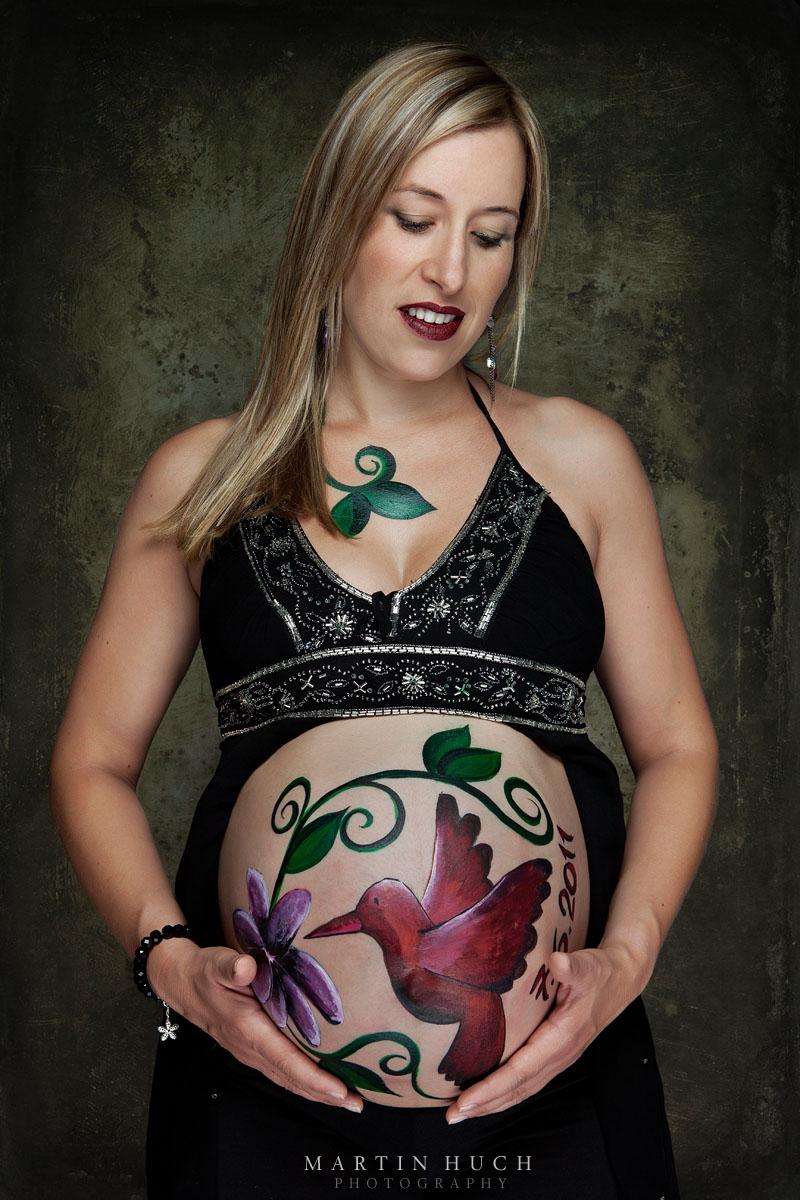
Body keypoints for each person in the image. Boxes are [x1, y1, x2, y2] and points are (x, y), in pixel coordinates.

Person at [50, 42, 718, 1200]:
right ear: (334, 217)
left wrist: (624, 958)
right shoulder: (200, 478)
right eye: (413, 217)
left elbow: (678, 747)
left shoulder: (581, 461)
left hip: (553, 1088)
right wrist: (169, 966)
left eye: (490, 233)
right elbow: (91, 763)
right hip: (258, 1090)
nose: (450, 269)